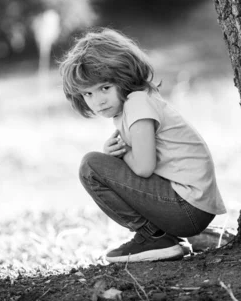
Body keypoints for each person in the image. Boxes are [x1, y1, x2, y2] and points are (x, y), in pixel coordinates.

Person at [58, 27, 226, 262]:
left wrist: (120, 155)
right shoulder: (134, 105)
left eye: (105, 88)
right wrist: (117, 155)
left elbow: (144, 168)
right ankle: (166, 237)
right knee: (98, 164)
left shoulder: (138, 105)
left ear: (124, 78)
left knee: (91, 167)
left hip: (188, 208)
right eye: (88, 94)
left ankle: (155, 237)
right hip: (191, 206)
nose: (97, 101)